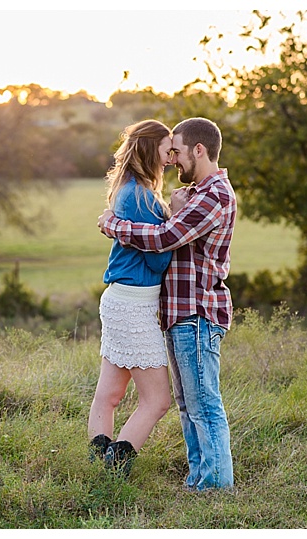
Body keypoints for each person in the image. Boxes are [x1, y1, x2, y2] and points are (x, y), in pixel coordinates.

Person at [97, 117, 236, 491]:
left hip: (197, 313)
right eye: (168, 151)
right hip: (178, 314)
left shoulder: (214, 195)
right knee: (189, 405)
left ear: (199, 150)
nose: (173, 160)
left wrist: (114, 226)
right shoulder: (197, 193)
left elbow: (164, 238)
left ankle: (216, 487)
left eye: (178, 152)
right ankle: (199, 479)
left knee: (204, 405)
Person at [87, 119, 174, 478]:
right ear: (150, 148)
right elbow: (158, 255)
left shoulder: (128, 190)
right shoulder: (140, 197)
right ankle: (116, 464)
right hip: (134, 305)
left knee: (109, 395)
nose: (171, 157)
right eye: (168, 148)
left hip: (121, 300)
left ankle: (98, 468)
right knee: (158, 400)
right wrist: (175, 215)